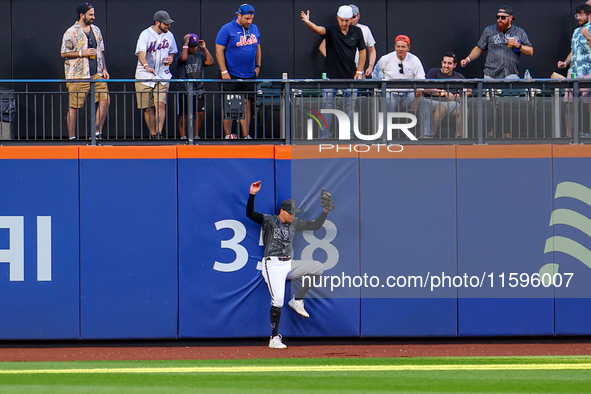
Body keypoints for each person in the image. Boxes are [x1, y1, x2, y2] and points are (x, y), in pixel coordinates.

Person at [246, 181, 333, 349]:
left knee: (318, 267)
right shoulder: (269, 220)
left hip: (288, 263)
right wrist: (252, 194)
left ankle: (297, 300)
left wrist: (325, 212)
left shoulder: (295, 223)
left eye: (294, 213)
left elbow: (316, 225)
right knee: (277, 300)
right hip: (272, 264)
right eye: (290, 213)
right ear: (282, 211)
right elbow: (250, 214)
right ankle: (274, 338)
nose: (293, 216)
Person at [301, 5, 366, 139]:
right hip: (331, 77)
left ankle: (350, 136)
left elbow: (363, 51)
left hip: (350, 76)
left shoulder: (357, 32)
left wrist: (359, 71)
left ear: (352, 19)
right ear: (337, 18)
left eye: (347, 20)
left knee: (350, 108)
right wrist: (308, 23)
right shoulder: (331, 30)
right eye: (341, 20)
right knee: (327, 107)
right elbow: (319, 30)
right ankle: (324, 135)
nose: (344, 23)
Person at [60, 2, 110, 140]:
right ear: (82, 15)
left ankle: (97, 133)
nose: (93, 17)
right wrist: (82, 53)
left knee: (105, 100)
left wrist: (104, 68)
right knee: (74, 107)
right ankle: (72, 137)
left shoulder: (96, 30)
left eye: (93, 14)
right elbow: (64, 53)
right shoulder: (71, 31)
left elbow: (100, 51)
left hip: (96, 73)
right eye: (90, 14)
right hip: (78, 74)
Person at [215, 4, 261, 139]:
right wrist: (224, 71)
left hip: (249, 74)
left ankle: (246, 135)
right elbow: (219, 50)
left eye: (251, 18)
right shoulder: (227, 29)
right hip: (231, 73)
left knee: (247, 104)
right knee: (229, 104)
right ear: (239, 15)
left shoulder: (254, 28)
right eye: (247, 18)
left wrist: (258, 66)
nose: (249, 21)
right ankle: (228, 135)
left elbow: (258, 47)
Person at [372, 35, 428, 138]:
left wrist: (416, 101)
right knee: (387, 101)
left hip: (409, 93)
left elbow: (421, 81)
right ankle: (384, 136)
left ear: (408, 48)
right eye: (398, 46)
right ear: (395, 47)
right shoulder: (385, 59)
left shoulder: (414, 60)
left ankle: (425, 136)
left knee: (425, 103)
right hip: (390, 92)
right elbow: (375, 74)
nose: (400, 49)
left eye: (403, 47)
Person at [135, 10, 178, 139]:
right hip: (144, 75)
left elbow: (172, 52)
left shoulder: (169, 35)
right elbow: (141, 54)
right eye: (165, 24)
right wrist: (146, 65)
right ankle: (153, 134)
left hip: (163, 75)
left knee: (160, 104)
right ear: (157, 22)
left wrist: (171, 58)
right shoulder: (145, 34)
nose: (168, 26)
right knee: (148, 108)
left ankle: (159, 133)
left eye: (169, 24)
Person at [460, 6, 533, 79]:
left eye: (503, 17)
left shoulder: (519, 32)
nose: (500, 19)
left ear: (510, 18)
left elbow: (530, 51)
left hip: (510, 73)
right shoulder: (489, 30)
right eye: (498, 17)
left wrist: (519, 46)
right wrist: (467, 59)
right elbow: (479, 48)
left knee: (512, 84)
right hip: (491, 73)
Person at [558, 3, 591, 137]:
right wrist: (565, 62)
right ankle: (569, 135)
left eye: (582, 15)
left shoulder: (588, 30)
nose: (578, 17)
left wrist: (588, 36)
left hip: (588, 72)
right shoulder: (576, 31)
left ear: (589, 15)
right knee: (569, 105)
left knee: (589, 105)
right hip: (574, 71)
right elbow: (574, 50)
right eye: (577, 15)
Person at [173, 33, 214, 139]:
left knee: (200, 113)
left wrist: (204, 49)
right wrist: (185, 44)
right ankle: (184, 136)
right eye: (192, 46)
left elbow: (210, 62)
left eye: (195, 46)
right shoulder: (180, 55)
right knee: (185, 115)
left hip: (198, 89)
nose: (194, 48)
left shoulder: (199, 56)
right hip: (184, 90)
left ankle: (195, 135)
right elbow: (183, 59)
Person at [318, 4, 377, 78]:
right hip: (338, 72)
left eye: (353, 17)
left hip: (357, 71)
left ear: (358, 16)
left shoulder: (364, 29)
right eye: (343, 19)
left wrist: (370, 66)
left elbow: (371, 50)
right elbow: (322, 46)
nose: (351, 20)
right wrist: (335, 59)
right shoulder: (336, 30)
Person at [422, 52, 471, 138]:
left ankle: (459, 138)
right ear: (441, 63)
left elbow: (469, 91)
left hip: (450, 103)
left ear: (454, 65)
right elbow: (426, 89)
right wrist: (444, 93)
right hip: (431, 101)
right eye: (444, 63)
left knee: (464, 109)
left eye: (449, 63)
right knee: (442, 108)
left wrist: (460, 95)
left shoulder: (458, 77)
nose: (446, 66)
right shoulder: (434, 72)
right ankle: (431, 136)